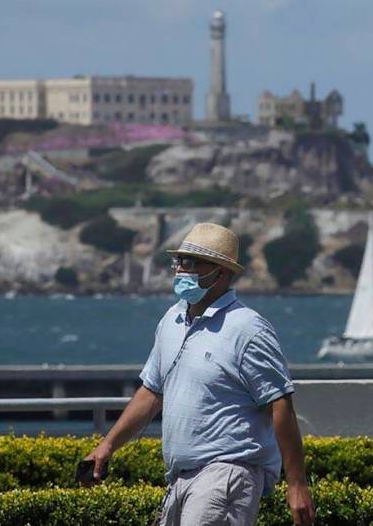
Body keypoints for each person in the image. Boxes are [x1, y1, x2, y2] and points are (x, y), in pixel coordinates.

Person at [83, 223, 315, 526]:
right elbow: (152, 391)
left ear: (222, 272)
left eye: (191, 263)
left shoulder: (248, 329)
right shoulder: (172, 319)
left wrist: (296, 484)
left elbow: (280, 403)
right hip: (181, 476)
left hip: (229, 471)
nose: (181, 270)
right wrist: (107, 445)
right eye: (178, 261)